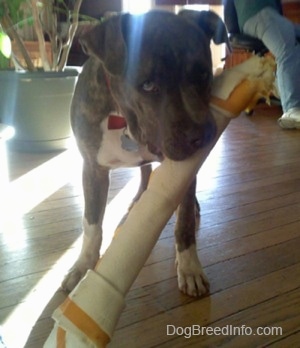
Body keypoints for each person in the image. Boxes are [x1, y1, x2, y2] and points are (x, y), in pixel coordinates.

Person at [232, 0, 300, 129]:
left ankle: (285, 86)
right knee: (285, 48)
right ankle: (292, 109)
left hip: (272, 16)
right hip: (257, 14)